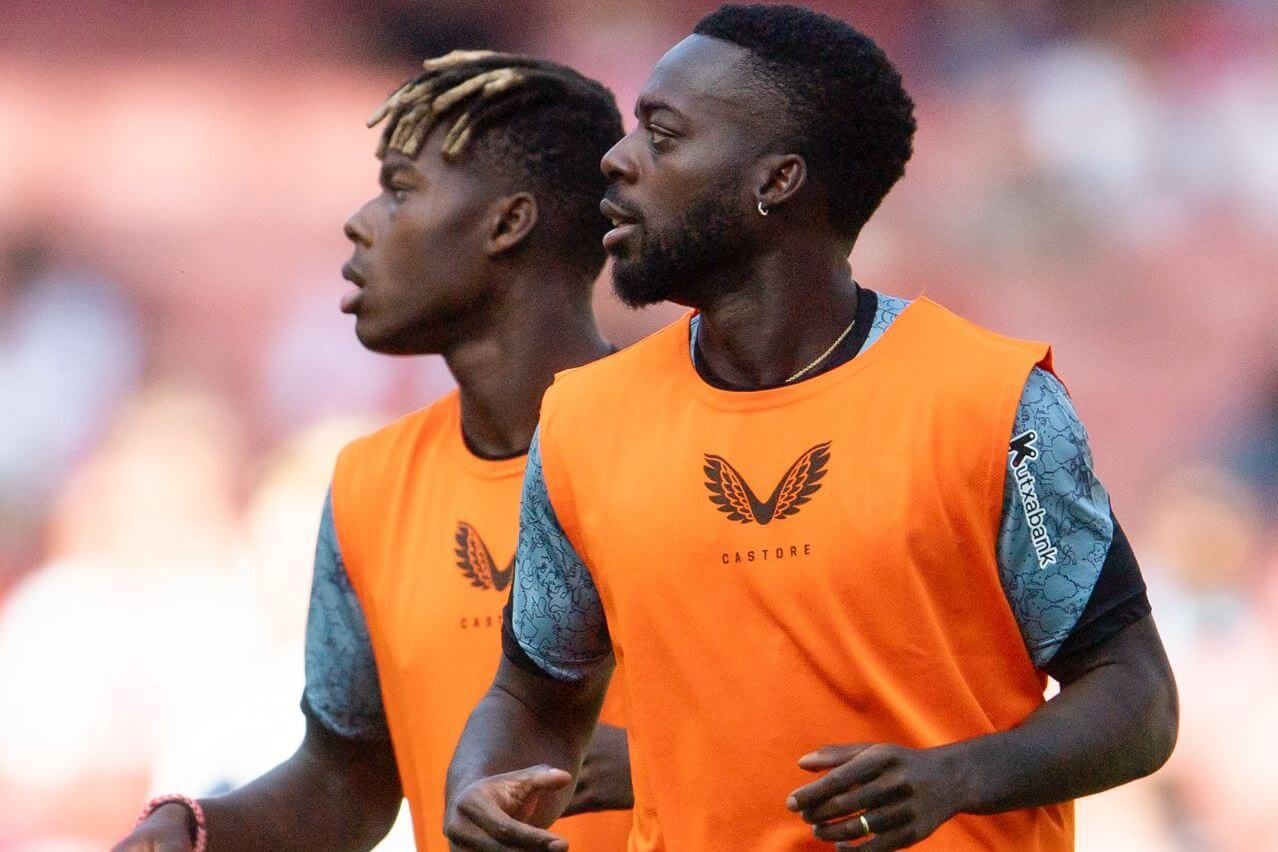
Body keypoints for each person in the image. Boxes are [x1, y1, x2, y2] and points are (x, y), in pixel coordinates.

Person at [444, 6, 1178, 851]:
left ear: (777, 181)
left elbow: (1137, 697)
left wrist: (958, 775)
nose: (616, 159)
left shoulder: (991, 402)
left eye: (664, 134)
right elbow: (532, 696)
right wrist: (477, 786)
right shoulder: (582, 420)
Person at [114, 50, 633, 851]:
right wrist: (193, 828)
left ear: (507, 222)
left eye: (400, 189)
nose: (360, 220)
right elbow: (344, 781)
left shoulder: (677, 437)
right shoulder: (371, 481)